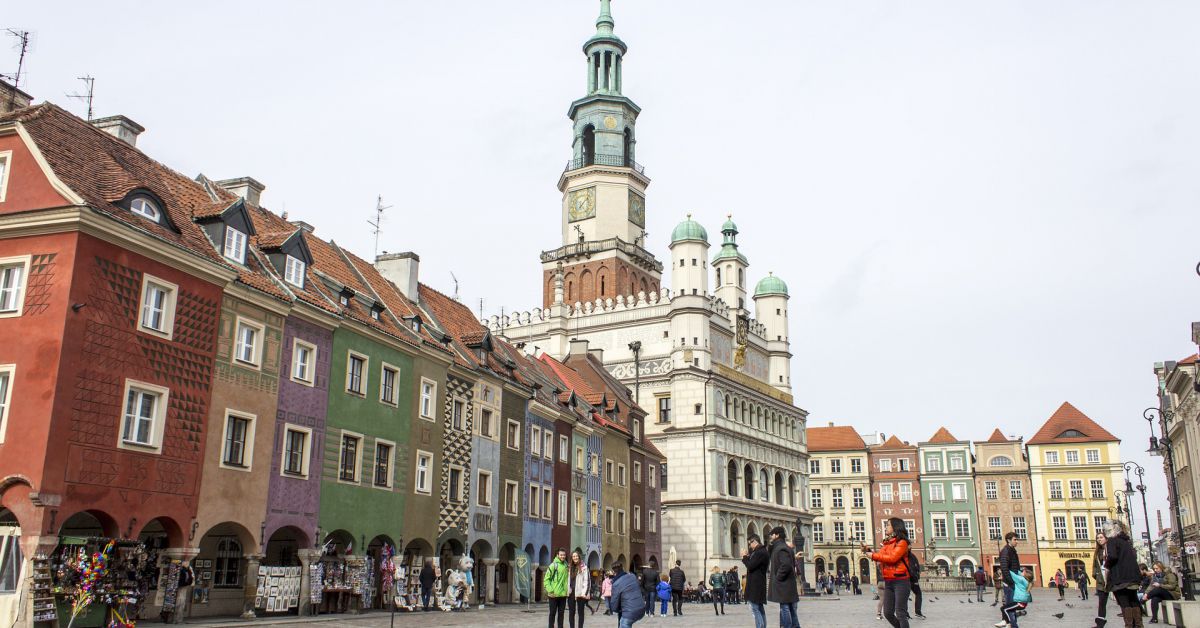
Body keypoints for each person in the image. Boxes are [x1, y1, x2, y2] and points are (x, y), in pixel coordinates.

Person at [864, 517, 911, 628]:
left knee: (900, 613)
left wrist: (873, 556)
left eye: (888, 525)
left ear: (895, 527)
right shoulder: (887, 543)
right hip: (888, 581)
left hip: (901, 581)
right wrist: (868, 551)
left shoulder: (902, 542)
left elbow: (893, 558)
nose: (886, 527)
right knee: (888, 613)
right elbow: (881, 556)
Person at [1105, 520, 1143, 628]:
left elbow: (1112, 556)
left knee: (1124, 601)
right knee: (1133, 600)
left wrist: (1107, 565)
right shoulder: (1126, 541)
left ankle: (1129, 625)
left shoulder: (1112, 540)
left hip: (1120, 576)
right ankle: (1138, 625)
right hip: (1133, 576)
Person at [768, 526, 801, 628]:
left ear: (777, 535)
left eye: (772, 534)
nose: (771, 536)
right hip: (787, 584)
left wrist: (778, 578)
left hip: (784, 584)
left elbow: (785, 565)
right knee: (790, 608)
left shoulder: (781, 548)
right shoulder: (782, 547)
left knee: (785, 608)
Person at [742, 533, 769, 628]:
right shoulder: (760, 551)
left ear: (754, 541)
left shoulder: (760, 552)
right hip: (758, 583)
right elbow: (753, 563)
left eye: (750, 543)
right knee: (759, 607)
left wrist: (744, 557)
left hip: (756, 584)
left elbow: (750, 566)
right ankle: (762, 626)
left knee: (755, 607)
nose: (749, 546)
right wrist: (748, 556)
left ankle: (760, 626)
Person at [608, 561, 646, 628]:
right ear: (622, 568)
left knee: (624, 623)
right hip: (641, 608)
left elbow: (614, 604)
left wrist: (616, 609)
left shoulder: (616, 584)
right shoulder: (633, 576)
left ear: (614, 572)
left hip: (629, 612)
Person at [996, 532, 1020, 627]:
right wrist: (1011, 582)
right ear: (1008, 540)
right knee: (1010, 606)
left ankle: (1008, 623)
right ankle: (1011, 624)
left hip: (1013, 582)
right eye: (1015, 539)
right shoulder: (1005, 551)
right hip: (1010, 584)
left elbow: (1015, 567)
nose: (1017, 541)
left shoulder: (1012, 550)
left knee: (1012, 606)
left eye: (1016, 539)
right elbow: (1005, 569)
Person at [545, 548, 569, 628]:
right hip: (553, 595)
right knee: (552, 613)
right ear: (557, 555)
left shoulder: (566, 566)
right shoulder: (553, 565)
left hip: (563, 595)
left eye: (564, 555)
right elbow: (546, 580)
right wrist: (550, 590)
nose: (563, 556)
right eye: (561, 555)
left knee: (561, 614)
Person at [569, 551, 591, 628]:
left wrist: (584, 593)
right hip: (571, 593)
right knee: (571, 613)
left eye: (576, 556)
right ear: (572, 558)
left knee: (580, 613)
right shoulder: (569, 567)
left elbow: (587, 581)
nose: (575, 557)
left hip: (580, 593)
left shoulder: (584, 567)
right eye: (573, 556)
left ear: (579, 557)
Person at [1093, 534, 1110, 628]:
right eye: (1097, 538)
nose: (1099, 539)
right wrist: (1096, 575)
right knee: (1102, 602)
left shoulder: (1111, 549)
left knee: (1120, 600)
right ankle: (1100, 624)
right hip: (1101, 578)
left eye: (1101, 537)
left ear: (1106, 538)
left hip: (1112, 577)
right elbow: (1095, 565)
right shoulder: (1097, 552)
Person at [909, 551, 925, 620]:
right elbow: (914, 568)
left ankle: (905, 613)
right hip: (911, 579)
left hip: (904, 579)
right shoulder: (911, 556)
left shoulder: (901, 555)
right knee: (918, 594)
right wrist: (916, 579)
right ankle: (918, 611)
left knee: (904, 596)